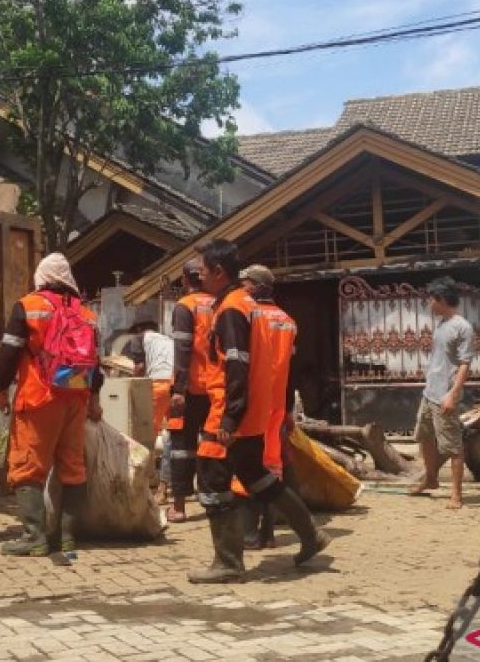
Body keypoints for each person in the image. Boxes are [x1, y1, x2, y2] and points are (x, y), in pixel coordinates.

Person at [188, 239, 330, 584]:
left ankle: (228, 563)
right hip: (255, 409)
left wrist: (229, 417)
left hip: (230, 411)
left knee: (212, 480)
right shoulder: (248, 305)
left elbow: (236, 365)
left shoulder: (231, 310)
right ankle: (311, 534)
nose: (199, 277)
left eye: (203, 271)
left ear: (219, 272)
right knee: (257, 474)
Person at [0, 253, 103, 565]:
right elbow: (96, 361)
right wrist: (93, 397)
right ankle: (67, 535)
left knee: (28, 465)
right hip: (76, 397)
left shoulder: (29, 306)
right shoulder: (88, 314)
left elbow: (9, 352)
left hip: (40, 396)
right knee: (72, 465)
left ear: (41, 276)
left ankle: (33, 538)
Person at [408, 277, 475, 509]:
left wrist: (453, 394)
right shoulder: (441, 324)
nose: (429, 304)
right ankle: (431, 479)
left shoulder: (462, 327)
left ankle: (456, 494)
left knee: (452, 445)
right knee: (424, 436)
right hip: (430, 392)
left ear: (443, 300)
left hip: (445, 393)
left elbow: (465, 363)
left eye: (432, 299)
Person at [238, 264, 291, 548]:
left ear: (256, 286)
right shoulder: (288, 321)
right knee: (271, 465)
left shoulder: (252, 317)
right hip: (277, 403)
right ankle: (268, 533)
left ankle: (248, 534)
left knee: (246, 465)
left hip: (253, 401)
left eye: (244, 283)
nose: (241, 288)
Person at [166, 260, 214, 523]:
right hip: (216, 388)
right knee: (211, 445)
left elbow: (183, 349)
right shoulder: (219, 304)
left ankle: (179, 507)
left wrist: (179, 389)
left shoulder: (185, 306)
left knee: (182, 446)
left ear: (185, 280)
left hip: (191, 387)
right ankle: (210, 500)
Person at [122, 320, 175, 502]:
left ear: (139, 329)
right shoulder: (168, 340)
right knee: (171, 435)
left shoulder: (140, 338)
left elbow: (139, 367)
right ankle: (165, 483)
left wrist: (131, 384)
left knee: (147, 434)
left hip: (158, 385)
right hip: (175, 385)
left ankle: (145, 481)